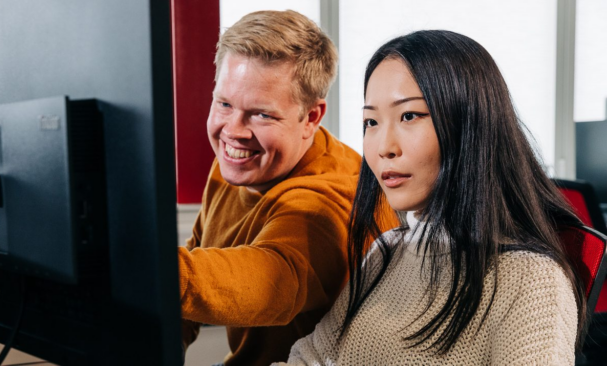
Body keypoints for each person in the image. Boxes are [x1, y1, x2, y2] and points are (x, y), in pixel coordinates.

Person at [281, 30, 587, 365]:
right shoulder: (387, 252)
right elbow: (309, 359)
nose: (384, 147)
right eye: (371, 121)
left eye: (409, 116)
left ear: (469, 123)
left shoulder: (530, 280)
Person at [178, 10, 397, 366]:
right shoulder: (238, 164)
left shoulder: (331, 198)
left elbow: (273, 281)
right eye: (224, 103)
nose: (232, 131)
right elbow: (198, 256)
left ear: (311, 117)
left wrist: (142, 265)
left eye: (261, 114)